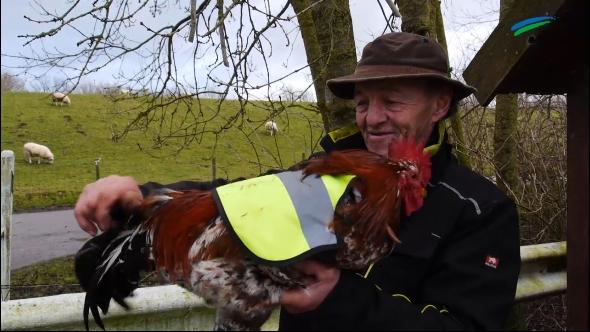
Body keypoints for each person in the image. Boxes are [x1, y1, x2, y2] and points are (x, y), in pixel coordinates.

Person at [74, 32, 521, 330]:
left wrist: (338, 297)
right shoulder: (325, 172)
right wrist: (144, 198)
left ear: (440, 106)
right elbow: (236, 200)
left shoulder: (480, 209)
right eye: (364, 102)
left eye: (392, 101)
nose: (373, 117)